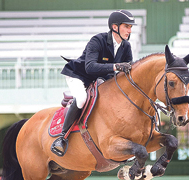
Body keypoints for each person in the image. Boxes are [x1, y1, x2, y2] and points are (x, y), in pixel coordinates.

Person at [51, 9, 137, 156]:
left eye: (130, 27)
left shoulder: (126, 46)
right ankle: (61, 138)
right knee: (82, 99)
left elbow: (127, 71)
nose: (129, 30)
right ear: (115, 27)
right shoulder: (98, 40)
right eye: (126, 26)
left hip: (101, 78)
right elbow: (90, 67)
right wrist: (115, 66)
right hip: (79, 75)